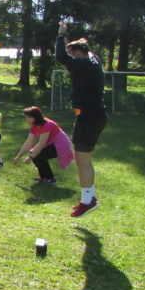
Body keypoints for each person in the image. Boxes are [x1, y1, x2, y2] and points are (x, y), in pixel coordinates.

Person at [56, 21, 108, 218]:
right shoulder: (92, 60)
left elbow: (60, 56)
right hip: (93, 115)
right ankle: (88, 199)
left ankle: (88, 201)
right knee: (82, 158)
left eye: (72, 57)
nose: (70, 63)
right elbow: (83, 51)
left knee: (82, 160)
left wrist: (60, 36)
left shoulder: (85, 63)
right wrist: (78, 42)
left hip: (88, 116)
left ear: (78, 54)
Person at [13, 106, 74, 185]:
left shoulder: (47, 124)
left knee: (39, 155)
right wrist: (19, 156)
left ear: (36, 117)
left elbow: (41, 143)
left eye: (29, 117)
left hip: (61, 144)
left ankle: (51, 179)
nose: (26, 119)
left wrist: (30, 158)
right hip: (51, 143)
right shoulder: (34, 126)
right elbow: (28, 143)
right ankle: (43, 177)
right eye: (26, 117)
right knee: (36, 155)